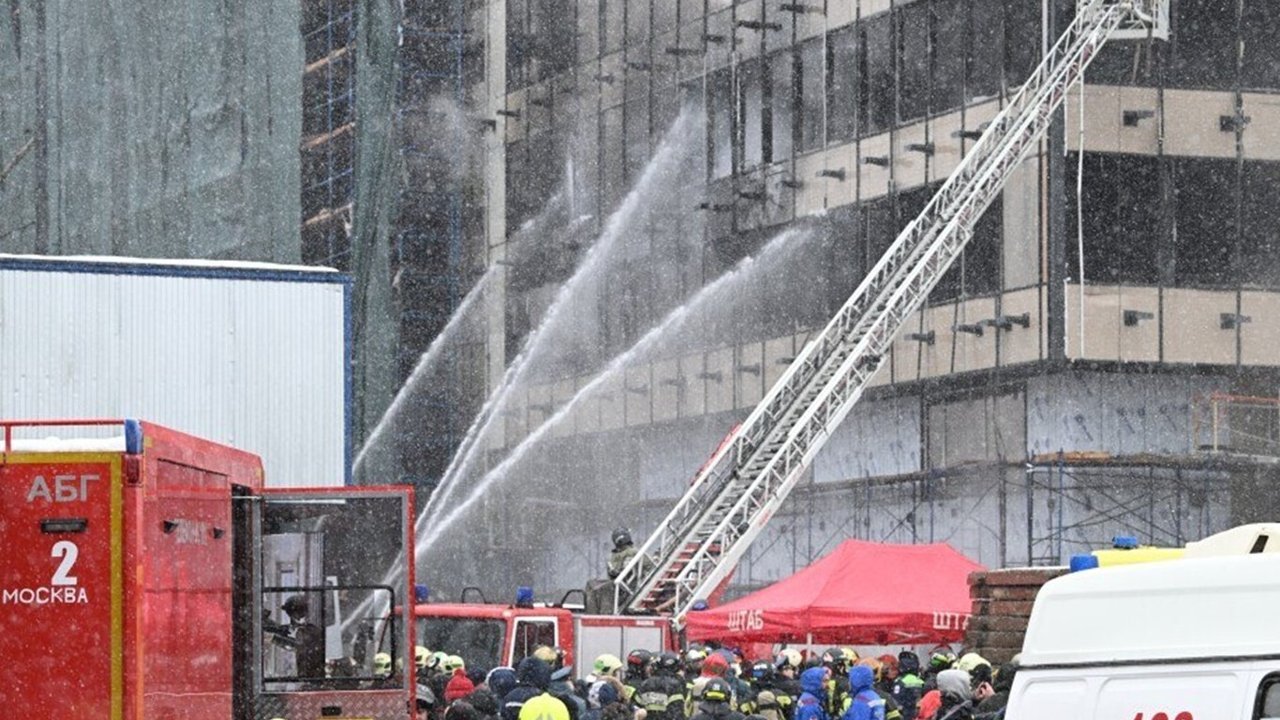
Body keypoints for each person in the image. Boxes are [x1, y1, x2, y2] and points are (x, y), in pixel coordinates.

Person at [277, 594, 326, 680]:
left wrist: (276, 639)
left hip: (311, 675)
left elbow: (298, 645)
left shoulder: (308, 631)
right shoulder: (311, 628)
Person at [637, 651, 688, 720]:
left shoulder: (645, 684)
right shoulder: (675, 686)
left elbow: (638, 709)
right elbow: (677, 713)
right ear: (674, 668)